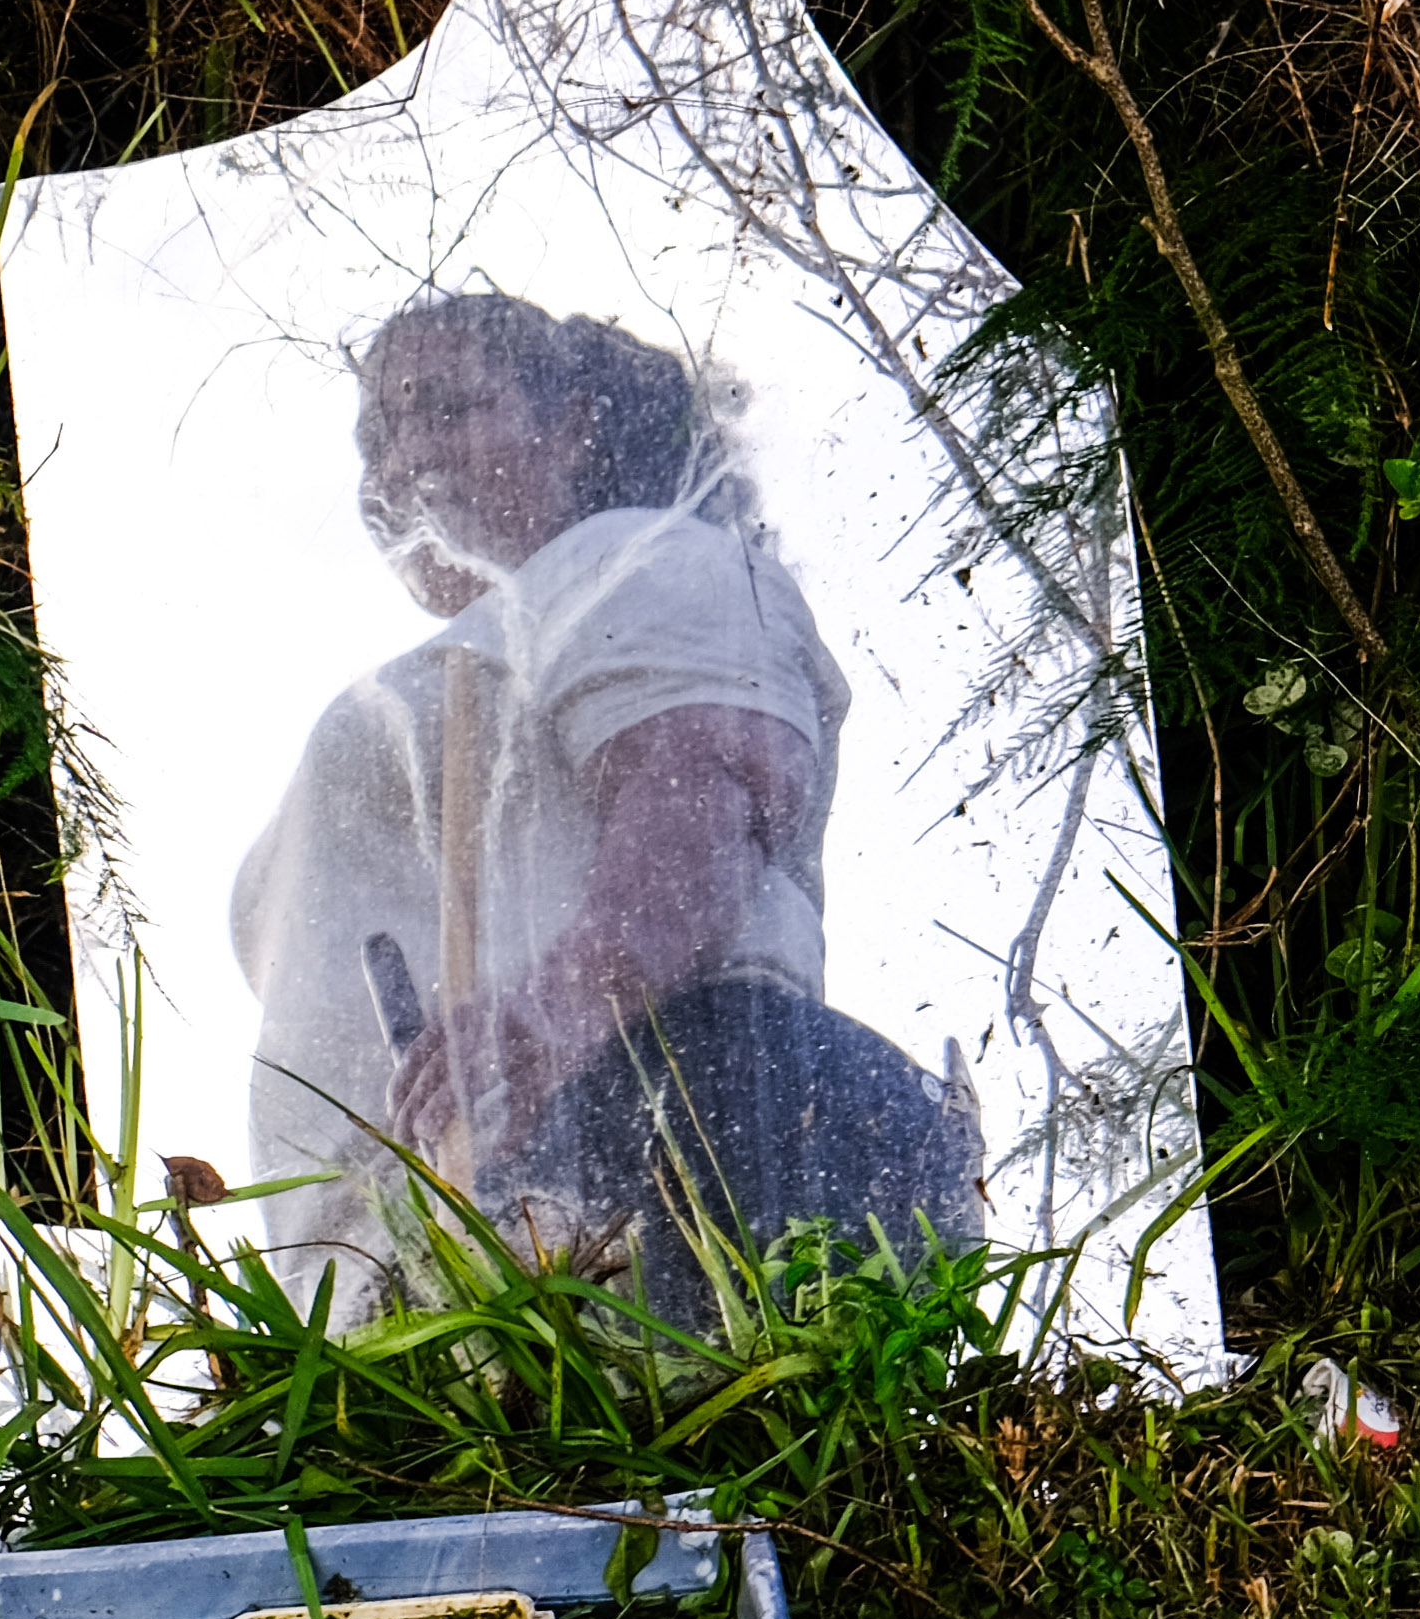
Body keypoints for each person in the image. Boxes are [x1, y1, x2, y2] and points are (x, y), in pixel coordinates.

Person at [226, 289, 977, 1325]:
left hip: (650, 1144)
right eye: (378, 434)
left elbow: (702, 784)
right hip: (440, 1254)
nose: (402, 459)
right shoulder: (482, 646)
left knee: (671, 1469)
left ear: (574, 421)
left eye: (447, 406)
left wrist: (549, 1015)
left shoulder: (642, 558)